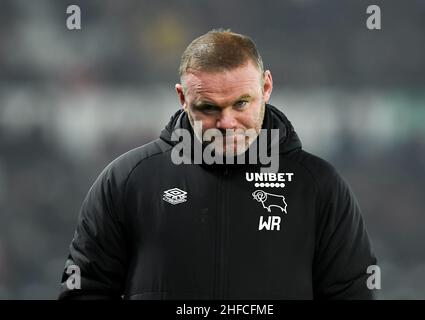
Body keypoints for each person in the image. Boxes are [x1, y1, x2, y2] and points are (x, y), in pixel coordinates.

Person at [59, 29, 377, 300]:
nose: (226, 123)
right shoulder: (128, 180)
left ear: (266, 87)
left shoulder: (318, 185)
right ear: (182, 97)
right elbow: (86, 288)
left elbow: (352, 292)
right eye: (209, 107)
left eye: (241, 103)